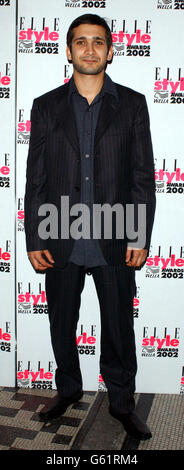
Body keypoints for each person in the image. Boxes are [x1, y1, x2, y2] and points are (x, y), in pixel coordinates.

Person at [24, 14, 156, 440]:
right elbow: (36, 178)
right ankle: (67, 390)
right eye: (80, 42)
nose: (89, 49)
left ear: (110, 51)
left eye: (98, 42)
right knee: (62, 322)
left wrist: (138, 234)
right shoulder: (45, 106)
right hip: (58, 235)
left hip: (115, 238)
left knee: (119, 325)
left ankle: (121, 402)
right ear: (68, 51)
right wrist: (34, 237)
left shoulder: (133, 104)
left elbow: (141, 176)